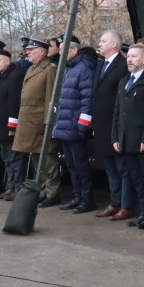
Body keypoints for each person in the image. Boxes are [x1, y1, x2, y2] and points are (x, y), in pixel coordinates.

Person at [112, 44, 144, 228]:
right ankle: (143, 212)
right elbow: (118, 111)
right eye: (128, 56)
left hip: (142, 139)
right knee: (136, 178)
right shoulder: (124, 80)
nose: (129, 59)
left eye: (134, 56)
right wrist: (115, 137)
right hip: (126, 138)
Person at [13, 38, 62, 207]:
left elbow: (51, 99)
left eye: (31, 49)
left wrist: (48, 123)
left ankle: (52, 193)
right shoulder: (32, 68)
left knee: (48, 160)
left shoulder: (49, 70)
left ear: (41, 51)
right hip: (30, 121)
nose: (27, 52)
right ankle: (41, 190)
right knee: (36, 160)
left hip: (40, 122)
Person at [52, 36, 98, 213]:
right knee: (71, 165)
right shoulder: (67, 68)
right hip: (64, 125)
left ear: (73, 50)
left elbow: (87, 100)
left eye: (64, 49)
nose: (60, 53)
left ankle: (87, 199)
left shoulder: (84, 68)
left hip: (75, 126)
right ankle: (77, 196)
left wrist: (82, 126)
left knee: (81, 165)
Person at [92, 31, 132, 220]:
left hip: (116, 125)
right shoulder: (101, 65)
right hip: (101, 124)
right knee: (110, 166)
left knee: (122, 167)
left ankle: (126, 204)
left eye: (103, 40)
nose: (99, 43)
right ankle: (115, 202)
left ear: (115, 45)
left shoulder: (123, 65)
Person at [0, 49, 25, 200]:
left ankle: (17, 187)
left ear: (8, 61)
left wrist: (12, 125)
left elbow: (14, 102)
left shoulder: (14, 76)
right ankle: (10, 186)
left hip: (8, 126)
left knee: (15, 158)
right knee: (6, 158)